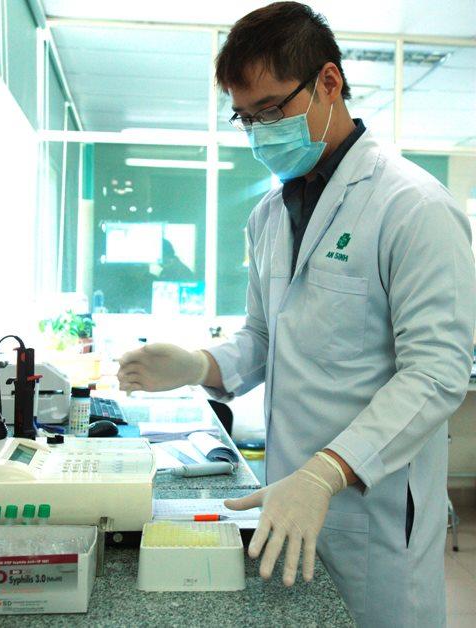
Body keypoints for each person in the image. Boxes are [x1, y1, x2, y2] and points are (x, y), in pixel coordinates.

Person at [117, 3, 475, 626]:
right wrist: (199, 364)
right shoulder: (268, 218)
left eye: (271, 110)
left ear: (328, 82)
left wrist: (326, 473)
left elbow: (437, 373)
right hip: (287, 500)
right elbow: (265, 337)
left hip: (372, 511)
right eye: (245, 117)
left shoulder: (413, 207)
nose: (259, 132)